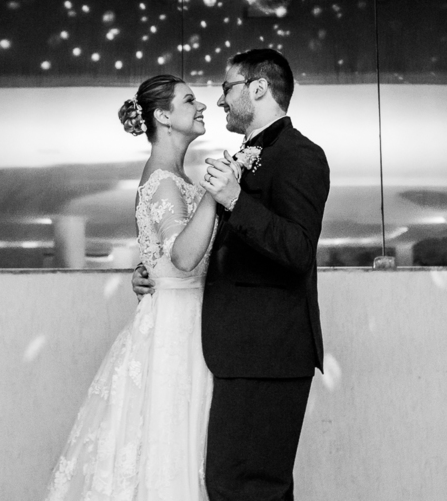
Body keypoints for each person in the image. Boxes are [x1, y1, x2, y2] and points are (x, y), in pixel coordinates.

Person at [133, 48, 331, 501]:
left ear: (258, 88)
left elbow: (299, 250)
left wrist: (236, 201)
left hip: (267, 352)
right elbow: (195, 249)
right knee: (232, 486)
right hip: (232, 353)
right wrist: (154, 273)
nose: (219, 100)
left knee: (246, 488)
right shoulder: (245, 154)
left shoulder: (299, 155)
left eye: (227, 88)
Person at [44, 74, 235, 501]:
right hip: (176, 328)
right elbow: (183, 257)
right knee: (173, 443)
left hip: (185, 317)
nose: (202, 106)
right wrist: (215, 193)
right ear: (163, 116)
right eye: (190, 100)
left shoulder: (174, 177)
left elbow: (166, 258)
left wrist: (148, 271)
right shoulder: (165, 180)